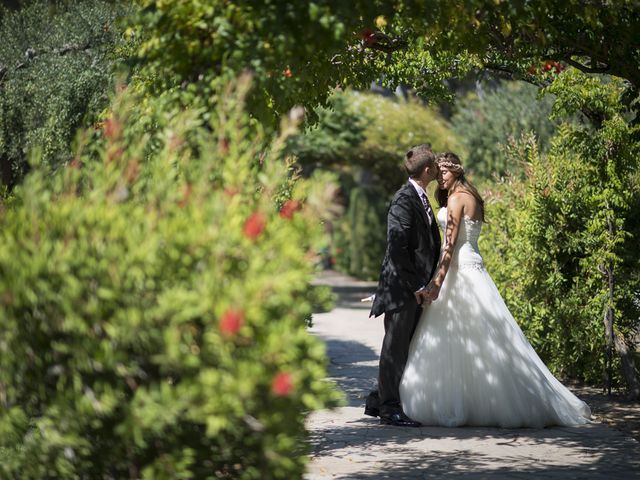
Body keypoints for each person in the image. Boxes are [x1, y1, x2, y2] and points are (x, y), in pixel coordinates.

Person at [399, 152, 592, 428]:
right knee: (481, 338)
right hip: (476, 268)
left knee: (462, 337)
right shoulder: (473, 196)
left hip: (458, 271)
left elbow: (449, 248)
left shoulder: (455, 199)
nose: (440, 177)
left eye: (444, 172)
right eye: (438, 172)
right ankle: (479, 398)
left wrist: (436, 284)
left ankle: (462, 401)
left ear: (456, 170)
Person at [366, 144, 442, 427]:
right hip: (402, 289)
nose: (436, 170)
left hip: (413, 287)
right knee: (394, 349)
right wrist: (415, 286)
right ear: (426, 170)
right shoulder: (403, 199)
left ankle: (378, 400)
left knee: (402, 347)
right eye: (434, 166)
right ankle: (389, 409)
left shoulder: (419, 196)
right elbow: (397, 246)